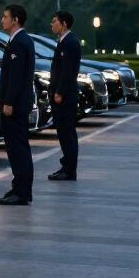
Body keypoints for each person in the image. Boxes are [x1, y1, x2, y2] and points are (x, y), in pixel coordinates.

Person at [0, 4, 36, 205]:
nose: (2, 20)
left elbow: (16, 77)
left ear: (15, 20)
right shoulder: (17, 41)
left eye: (5, 17)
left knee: (17, 148)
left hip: (16, 105)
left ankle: (21, 191)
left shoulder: (20, 42)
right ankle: (20, 188)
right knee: (17, 148)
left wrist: (9, 102)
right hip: (17, 103)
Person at [48, 11, 81, 180]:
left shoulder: (70, 43)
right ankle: (67, 166)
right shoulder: (63, 42)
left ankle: (69, 169)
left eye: (55, 21)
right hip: (60, 96)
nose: (52, 24)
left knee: (67, 133)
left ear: (64, 24)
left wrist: (59, 92)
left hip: (65, 97)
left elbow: (67, 72)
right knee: (64, 133)